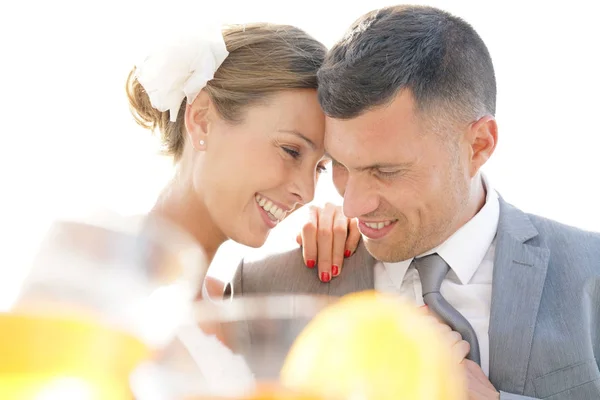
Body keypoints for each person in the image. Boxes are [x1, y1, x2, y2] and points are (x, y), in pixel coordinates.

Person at [229, 5, 600, 400]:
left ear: (479, 145)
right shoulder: (263, 294)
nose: (352, 205)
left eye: (385, 171)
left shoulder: (591, 270)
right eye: (339, 164)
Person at [126, 22, 360, 293]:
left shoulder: (234, 317)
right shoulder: (86, 266)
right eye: (291, 151)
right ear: (202, 119)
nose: (307, 193)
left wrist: (356, 256)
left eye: (320, 168)